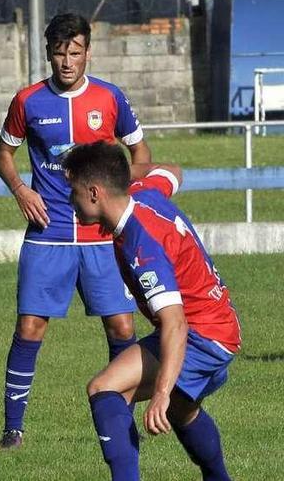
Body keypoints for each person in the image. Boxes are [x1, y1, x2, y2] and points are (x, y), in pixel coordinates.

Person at [0, 12, 153, 449]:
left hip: (103, 238)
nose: (67, 61)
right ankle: (13, 428)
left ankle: (122, 420)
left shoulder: (109, 98)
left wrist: (125, 198)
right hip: (49, 235)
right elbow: (3, 152)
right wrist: (21, 189)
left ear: (87, 52)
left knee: (122, 328)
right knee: (29, 328)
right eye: (60, 53)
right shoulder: (28, 101)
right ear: (49, 54)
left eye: (75, 53)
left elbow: (140, 151)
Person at [63, 141, 240, 480]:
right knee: (182, 409)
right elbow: (173, 171)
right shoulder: (144, 190)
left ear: (95, 193)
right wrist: (115, 170)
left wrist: (160, 391)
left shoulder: (142, 247)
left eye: (74, 192)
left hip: (202, 333)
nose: (71, 202)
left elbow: (175, 324)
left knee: (106, 389)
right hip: (220, 325)